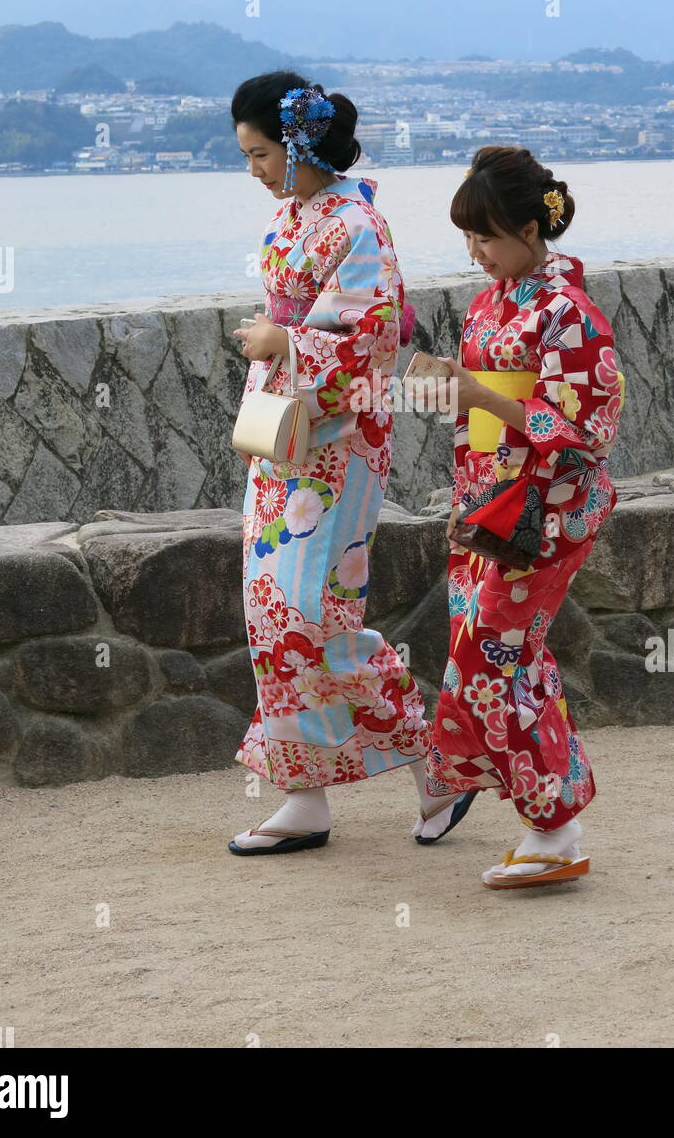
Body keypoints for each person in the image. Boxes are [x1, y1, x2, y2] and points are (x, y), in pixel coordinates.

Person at [226, 72, 468, 855]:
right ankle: (304, 795)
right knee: (272, 615)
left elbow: (377, 338)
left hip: (338, 449)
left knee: (314, 617)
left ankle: (433, 763)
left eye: (262, 153)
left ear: (298, 143)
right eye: (247, 155)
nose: (255, 169)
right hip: (286, 441)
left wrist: (285, 341)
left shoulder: (357, 223)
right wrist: (280, 342)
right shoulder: (298, 219)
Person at [421, 145, 624, 888]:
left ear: (530, 232)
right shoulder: (493, 301)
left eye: (486, 238)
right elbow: (485, 410)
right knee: (504, 656)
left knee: (490, 659)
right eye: (467, 240)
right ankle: (550, 819)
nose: (475, 253)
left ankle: (555, 828)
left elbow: (585, 433)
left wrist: (483, 400)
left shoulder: (569, 312)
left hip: (549, 510)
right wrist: (454, 393)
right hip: (493, 504)